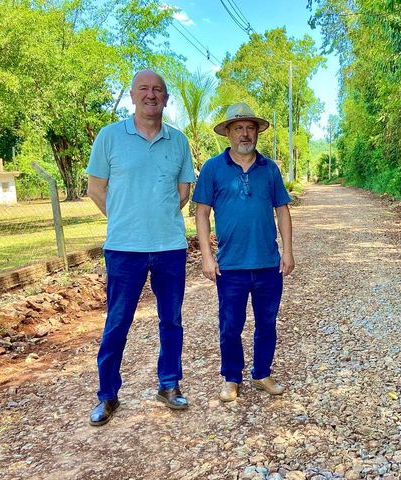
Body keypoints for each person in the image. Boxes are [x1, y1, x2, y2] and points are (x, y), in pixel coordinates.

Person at [85, 69, 196, 426]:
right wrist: (124, 217)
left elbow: (183, 192)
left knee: (171, 320)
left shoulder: (178, 142)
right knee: (118, 321)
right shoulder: (110, 137)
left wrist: (157, 218)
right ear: (132, 95)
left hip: (169, 247)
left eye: (158, 90)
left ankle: (169, 384)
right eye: (144, 89)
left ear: (166, 98)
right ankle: (107, 395)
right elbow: (96, 188)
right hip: (124, 249)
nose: (151, 95)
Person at [192, 102, 294, 402]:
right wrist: (207, 256)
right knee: (230, 325)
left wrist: (287, 251)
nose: (245, 134)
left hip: (268, 264)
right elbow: (201, 214)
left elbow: (283, 211)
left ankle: (262, 373)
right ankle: (231, 378)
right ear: (228, 133)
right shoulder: (213, 168)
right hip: (230, 266)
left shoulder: (270, 169)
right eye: (239, 128)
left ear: (257, 133)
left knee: (267, 322)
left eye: (250, 128)